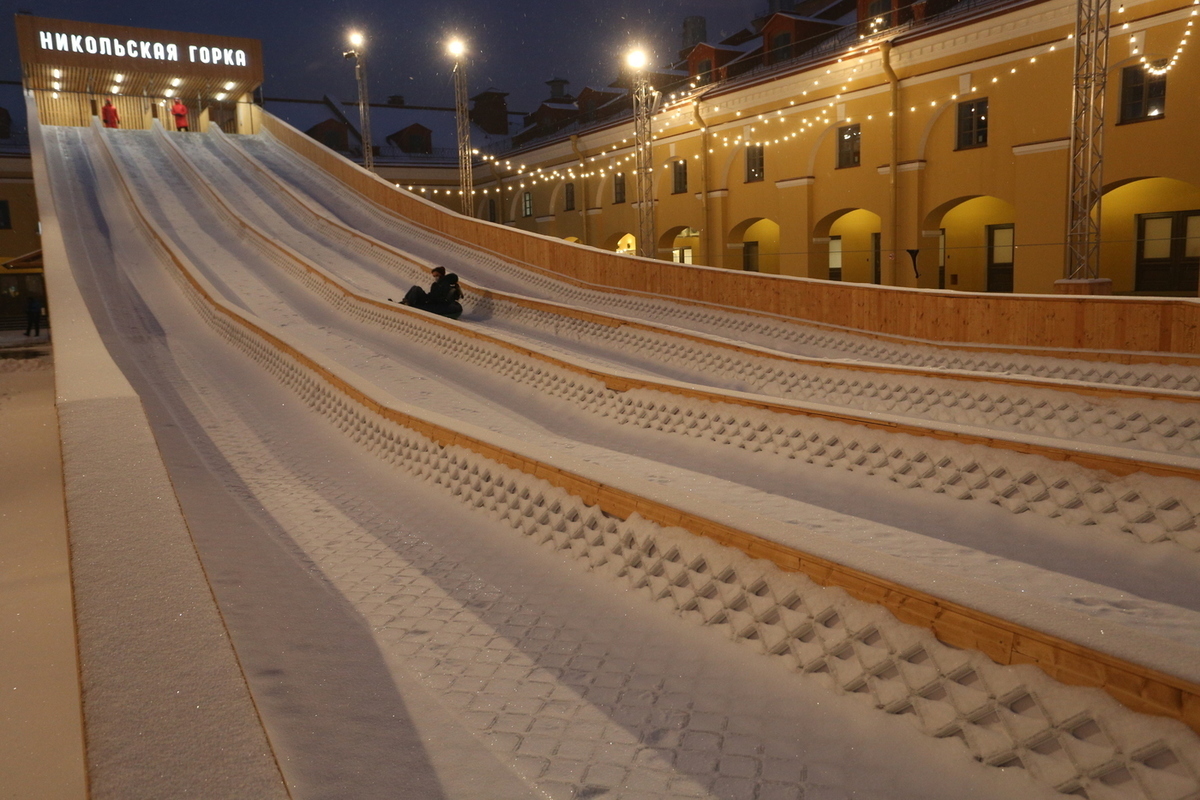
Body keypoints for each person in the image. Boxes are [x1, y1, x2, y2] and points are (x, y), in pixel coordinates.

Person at [399, 267, 463, 319]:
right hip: (432, 300)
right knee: (415, 288)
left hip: (434, 302)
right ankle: (406, 301)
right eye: (434, 276)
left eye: (437, 275)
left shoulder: (444, 284)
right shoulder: (440, 284)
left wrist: (429, 298)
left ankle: (408, 302)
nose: (435, 277)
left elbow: (439, 296)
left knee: (416, 289)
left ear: (441, 274)